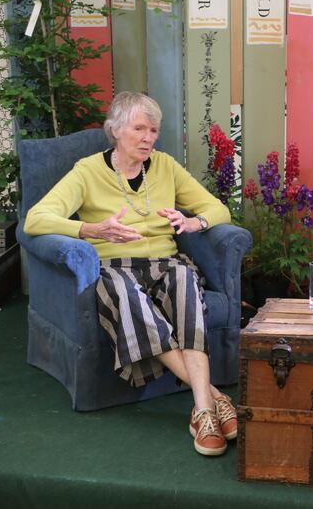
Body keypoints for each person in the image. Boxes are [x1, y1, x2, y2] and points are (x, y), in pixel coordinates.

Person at [24, 92, 236, 457]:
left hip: (166, 262)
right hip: (113, 265)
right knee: (124, 294)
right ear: (116, 130)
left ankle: (201, 407)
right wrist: (91, 230)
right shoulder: (87, 171)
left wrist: (193, 221)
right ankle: (212, 401)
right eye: (140, 128)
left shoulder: (166, 166)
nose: (148, 137)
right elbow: (35, 219)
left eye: (153, 130)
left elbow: (218, 209)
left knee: (186, 284)